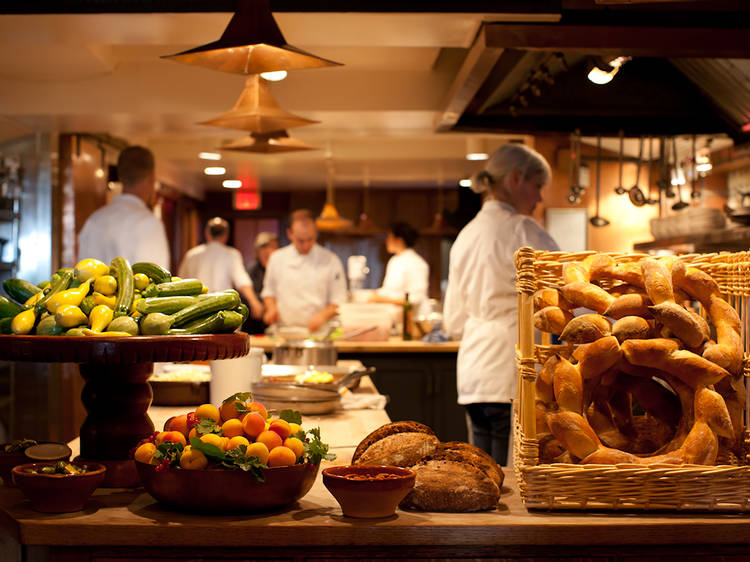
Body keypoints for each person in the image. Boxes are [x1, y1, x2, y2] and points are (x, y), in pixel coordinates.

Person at [443, 143, 559, 466]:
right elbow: (565, 291)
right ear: (515, 178)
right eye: (537, 186)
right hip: (510, 369)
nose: (539, 199)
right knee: (509, 477)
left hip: (473, 373)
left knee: (481, 473)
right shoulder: (522, 230)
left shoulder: (464, 236)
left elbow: (452, 321)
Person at [78, 145, 170, 267]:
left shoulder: (94, 220)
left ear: (120, 176)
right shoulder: (148, 223)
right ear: (152, 178)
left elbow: (80, 273)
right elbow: (156, 281)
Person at [262, 209, 347, 332]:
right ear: (290, 234)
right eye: (300, 240)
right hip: (284, 331)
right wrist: (271, 308)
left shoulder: (331, 260)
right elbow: (269, 292)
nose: (306, 245)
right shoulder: (277, 258)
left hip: (319, 332)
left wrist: (322, 316)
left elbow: (339, 299)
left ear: (316, 233)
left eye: (310, 239)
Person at [177, 217, 263, 319]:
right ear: (226, 235)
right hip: (224, 310)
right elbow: (242, 281)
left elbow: (180, 283)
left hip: (196, 311)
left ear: (207, 233)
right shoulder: (232, 254)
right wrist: (254, 302)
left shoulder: (192, 255)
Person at [370, 222, 430, 311]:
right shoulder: (394, 260)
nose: (386, 241)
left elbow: (415, 298)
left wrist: (383, 299)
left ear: (399, 240)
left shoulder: (416, 263)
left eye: (389, 237)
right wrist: (374, 294)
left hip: (413, 318)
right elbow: (389, 290)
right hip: (395, 316)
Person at [245, 231, 279, 334]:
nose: (268, 251)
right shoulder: (252, 269)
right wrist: (256, 303)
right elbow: (245, 293)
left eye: (272, 247)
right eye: (263, 248)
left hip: (276, 321)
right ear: (257, 251)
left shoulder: (280, 268)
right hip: (254, 324)